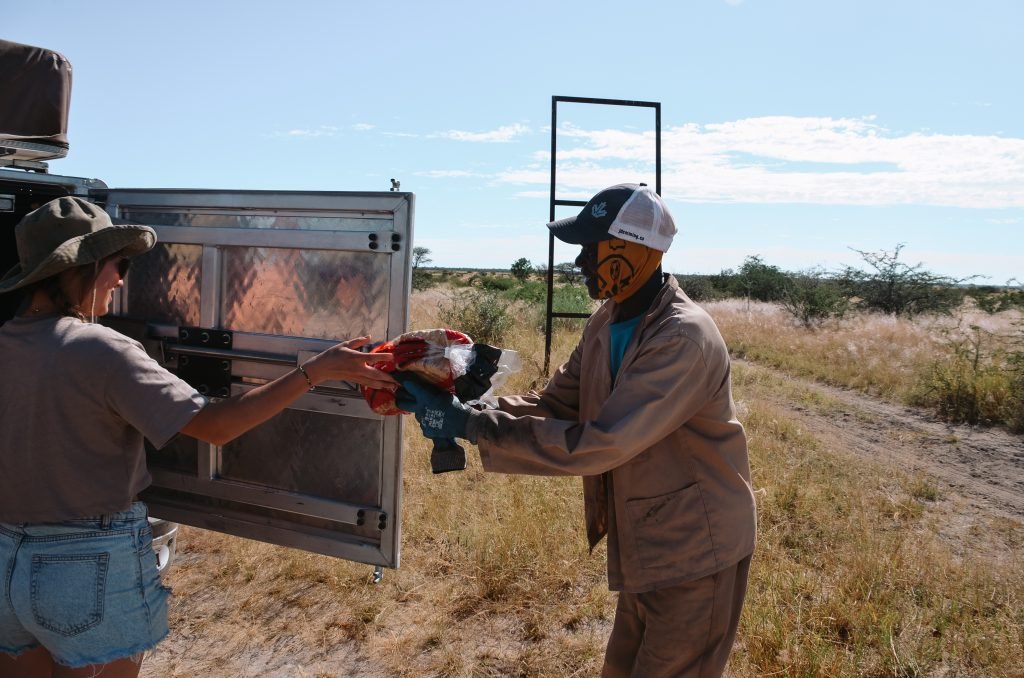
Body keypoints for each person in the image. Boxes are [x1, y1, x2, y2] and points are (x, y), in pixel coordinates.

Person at [0, 196, 396, 678]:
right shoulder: (100, 349)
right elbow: (217, 427)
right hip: (86, 561)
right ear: (79, 268)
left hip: (6, 557)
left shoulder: (8, 339)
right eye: (117, 265)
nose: (122, 280)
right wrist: (316, 370)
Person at [398, 183, 757, 677]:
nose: (581, 263)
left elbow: (601, 443)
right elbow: (555, 405)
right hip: (648, 539)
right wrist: (465, 405)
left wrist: (470, 424)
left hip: (697, 548)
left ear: (634, 250)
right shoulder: (607, 321)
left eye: (592, 249)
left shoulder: (682, 336)